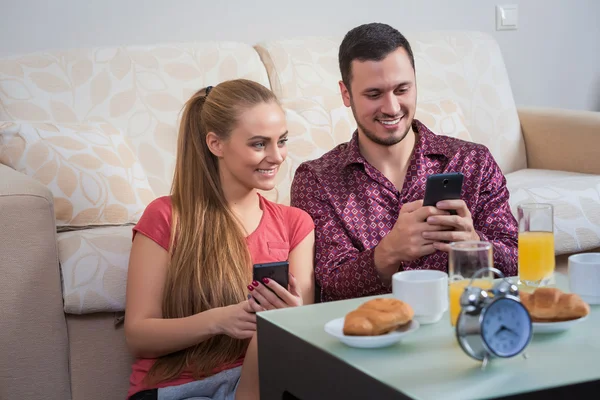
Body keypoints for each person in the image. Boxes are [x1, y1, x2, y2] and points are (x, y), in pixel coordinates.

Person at [290, 23, 518, 303]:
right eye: (374, 94)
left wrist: (472, 244)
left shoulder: (473, 161)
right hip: (372, 336)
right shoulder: (316, 180)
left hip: (461, 323)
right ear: (346, 94)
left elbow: (517, 261)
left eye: (402, 89)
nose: (392, 107)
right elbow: (327, 289)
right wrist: (388, 253)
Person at [124, 79, 315, 400]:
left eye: (281, 141)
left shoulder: (296, 223)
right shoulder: (166, 216)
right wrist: (219, 321)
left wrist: (292, 318)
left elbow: (301, 334)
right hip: (179, 389)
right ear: (216, 144)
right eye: (258, 144)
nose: (278, 156)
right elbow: (138, 335)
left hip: (263, 381)